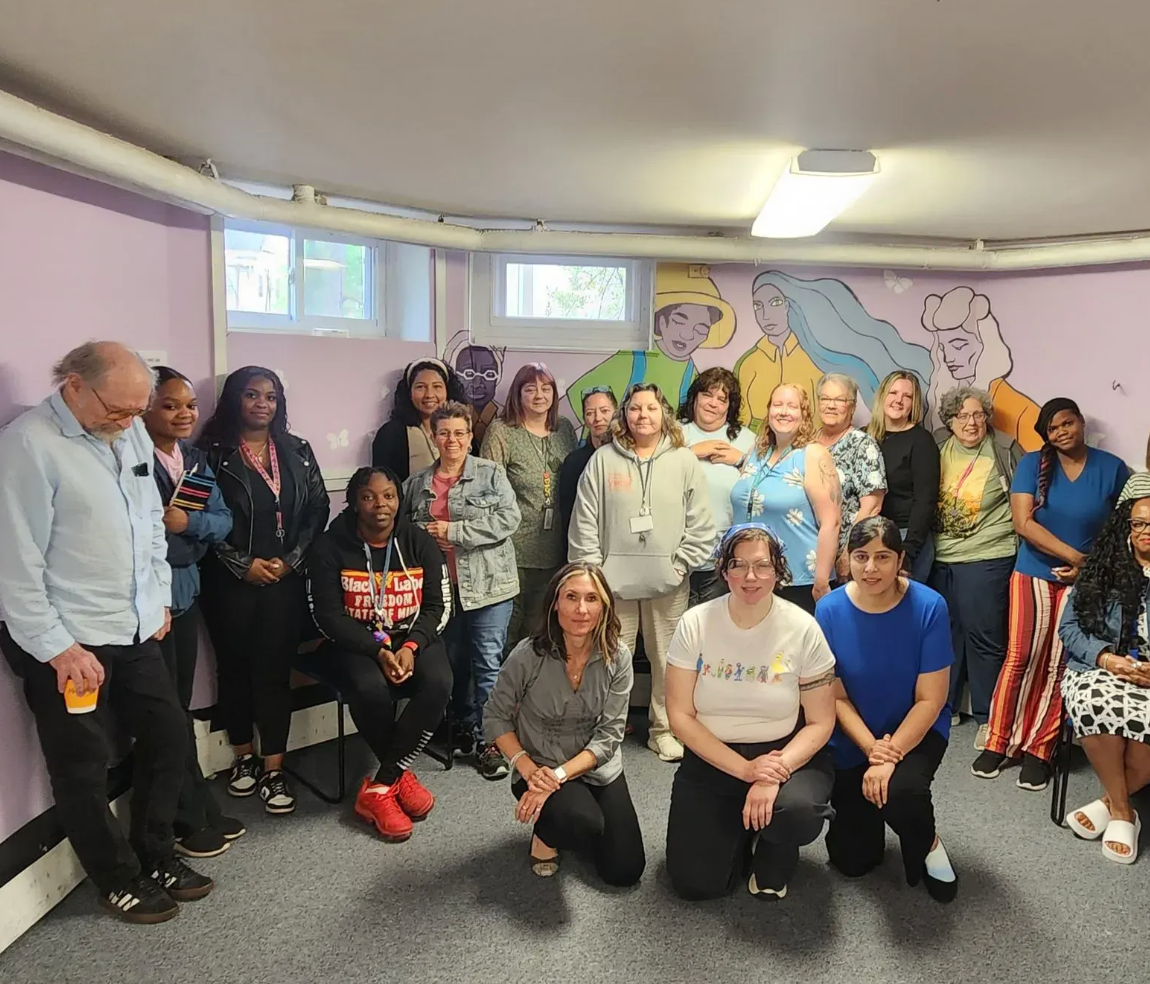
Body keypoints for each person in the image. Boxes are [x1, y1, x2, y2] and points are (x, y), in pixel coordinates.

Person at [0, 342, 211, 924]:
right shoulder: (26, 448)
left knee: (170, 735)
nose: (126, 423)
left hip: (135, 625)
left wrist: (158, 594)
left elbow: (147, 517)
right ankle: (116, 878)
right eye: (117, 411)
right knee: (82, 764)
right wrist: (58, 649)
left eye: (134, 412)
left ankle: (157, 851)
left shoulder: (129, 432)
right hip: (64, 642)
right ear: (73, 385)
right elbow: (13, 567)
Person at [664, 524, 836, 900]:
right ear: (723, 571)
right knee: (695, 885)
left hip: (784, 754)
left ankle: (771, 843)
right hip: (714, 754)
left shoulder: (804, 628)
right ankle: (742, 828)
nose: (751, 576)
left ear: (779, 570)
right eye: (738, 565)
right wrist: (744, 770)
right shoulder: (695, 622)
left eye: (762, 565)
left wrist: (773, 773)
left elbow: (822, 722)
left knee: (798, 812)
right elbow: (679, 716)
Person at [974, 399, 1128, 790]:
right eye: (1053, 428)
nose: (1062, 433)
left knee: (1061, 664)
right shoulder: (1032, 464)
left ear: (1081, 422)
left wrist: (1087, 569)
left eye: (1068, 423)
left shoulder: (1111, 469)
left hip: (1085, 582)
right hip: (1033, 574)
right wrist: (1074, 556)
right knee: (1021, 657)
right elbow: (1023, 523)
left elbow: (1122, 529)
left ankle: (1040, 749)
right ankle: (999, 740)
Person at [197, 366, 330, 816]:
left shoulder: (298, 450)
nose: (261, 404)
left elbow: (317, 510)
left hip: (284, 581)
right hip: (228, 582)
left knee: (274, 673)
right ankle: (243, 759)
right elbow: (200, 520)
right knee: (233, 670)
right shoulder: (209, 454)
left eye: (270, 397)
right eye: (251, 395)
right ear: (234, 399)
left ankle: (275, 767)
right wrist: (242, 564)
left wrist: (290, 560)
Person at [569, 382, 715, 762]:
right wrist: (592, 576)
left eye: (651, 408)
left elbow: (701, 523)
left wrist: (680, 564)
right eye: (635, 409)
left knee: (668, 659)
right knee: (607, 658)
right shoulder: (602, 460)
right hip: (611, 586)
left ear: (664, 413)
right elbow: (584, 520)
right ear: (625, 415)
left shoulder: (684, 460)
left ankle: (664, 730)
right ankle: (605, 733)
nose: (643, 416)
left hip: (668, 583)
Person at [816, 518, 958, 903]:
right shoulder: (828, 610)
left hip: (915, 730)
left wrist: (889, 754)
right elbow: (836, 696)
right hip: (854, 737)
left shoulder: (929, 607)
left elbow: (931, 699)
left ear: (900, 561)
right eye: (861, 557)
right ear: (847, 560)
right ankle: (877, 810)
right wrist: (871, 750)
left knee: (901, 791)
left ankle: (927, 843)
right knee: (852, 860)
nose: (870, 568)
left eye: (882, 557)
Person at [307, 466, 451, 843]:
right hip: (355, 641)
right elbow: (326, 616)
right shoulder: (329, 547)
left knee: (438, 682)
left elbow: (438, 606)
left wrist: (410, 646)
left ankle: (380, 785)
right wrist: (377, 649)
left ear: (399, 499)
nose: (379, 505)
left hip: (411, 636)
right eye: (369, 497)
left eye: (388, 495)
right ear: (355, 502)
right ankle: (398, 778)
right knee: (369, 687)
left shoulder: (419, 542)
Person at [485, 563, 644, 884]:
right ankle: (548, 833)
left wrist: (557, 779)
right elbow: (495, 716)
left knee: (625, 871)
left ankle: (574, 818)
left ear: (604, 606)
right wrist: (530, 772)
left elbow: (609, 736)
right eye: (571, 597)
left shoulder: (619, 657)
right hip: (538, 766)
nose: (581, 609)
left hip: (594, 766)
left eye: (592, 599)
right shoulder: (528, 655)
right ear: (555, 602)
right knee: (578, 821)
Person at [143, 367, 244, 859]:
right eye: (170, 405)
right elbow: (141, 538)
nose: (185, 413)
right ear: (144, 407)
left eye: (189, 405)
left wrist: (188, 523)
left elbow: (221, 523)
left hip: (184, 597)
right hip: (147, 605)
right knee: (163, 718)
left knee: (177, 709)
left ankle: (196, 805)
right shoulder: (132, 460)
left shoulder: (195, 459)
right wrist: (185, 539)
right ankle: (183, 816)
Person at [405, 401, 522, 780]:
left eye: (459, 433)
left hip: (490, 589)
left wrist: (453, 532)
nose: (451, 440)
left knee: (487, 664)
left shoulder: (491, 474)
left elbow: (509, 519)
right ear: (433, 437)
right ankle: (464, 730)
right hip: (442, 591)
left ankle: (492, 743)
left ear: (471, 436)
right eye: (444, 433)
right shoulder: (416, 484)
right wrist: (424, 535)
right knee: (453, 664)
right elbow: (405, 532)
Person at [929, 387, 1019, 748]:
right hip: (941, 556)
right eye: (962, 416)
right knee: (944, 636)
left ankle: (987, 716)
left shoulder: (1004, 449)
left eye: (978, 415)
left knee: (985, 638)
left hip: (988, 555)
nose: (971, 422)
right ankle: (943, 706)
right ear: (949, 421)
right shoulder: (936, 445)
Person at [565, 264, 737, 428]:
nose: (688, 335)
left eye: (700, 329)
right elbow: (572, 401)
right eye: (679, 321)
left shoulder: (693, 377)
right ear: (661, 320)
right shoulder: (633, 360)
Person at [481, 362, 577, 655]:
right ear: (517, 394)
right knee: (507, 629)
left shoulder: (565, 431)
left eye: (546, 388)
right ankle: (501, 695)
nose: (539, 395)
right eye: (530, 388)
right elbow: (487, 489)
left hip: (554, 548)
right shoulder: (502, 431)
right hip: (512, 549)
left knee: (541, 628)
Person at [729, 383, 841, 615]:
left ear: (804, 415)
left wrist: (821, 579)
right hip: (751, 577)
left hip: (797, 579)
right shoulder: (755, 453)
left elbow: (831, 522)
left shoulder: (813, 454)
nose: (783, 411)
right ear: (768, 410)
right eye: (777, 405)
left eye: (792, 406)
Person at [676, 368, 757, 606]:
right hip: (678, 556)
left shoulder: (747, 439)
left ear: (730, 406)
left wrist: (741, 460)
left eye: (722, 399)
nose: (713, 404)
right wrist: (691, 453)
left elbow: (765, 486)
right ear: (695, 397)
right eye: (707, 395)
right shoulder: (673, 433)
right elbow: (653, 474)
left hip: (726, 556)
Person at [867, 371, 939, 583]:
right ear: (882, 396)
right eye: (893, 393)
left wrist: (908, 550)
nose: (899, 400)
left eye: (907, 396)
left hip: (906, 537)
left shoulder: (921, 442)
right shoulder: (864, 437)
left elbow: (925, 500)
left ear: (913, 404)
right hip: (870, 536)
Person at [813, 373, 886, 575]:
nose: (831, 405)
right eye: (825, 399)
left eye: (840, 400)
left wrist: (849, 552)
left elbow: (872, 506)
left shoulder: (863, 445)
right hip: (805, 554)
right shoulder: (805, 443)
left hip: (841, 555)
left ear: (852, 407)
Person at [371, 358, 469, 482]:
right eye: (420, 387)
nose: (429, 394)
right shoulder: (391, 434)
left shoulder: (463, 430)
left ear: (448, 391)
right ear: (409, 393)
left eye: (437, 386)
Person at [559, 386, 617, 543]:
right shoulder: (574, 462)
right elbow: (568, 516)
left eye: (604, 411)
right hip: (585, 545)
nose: (598, 418)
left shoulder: (629, 456)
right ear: (584, 419)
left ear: (616, 413)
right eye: (590, 413)